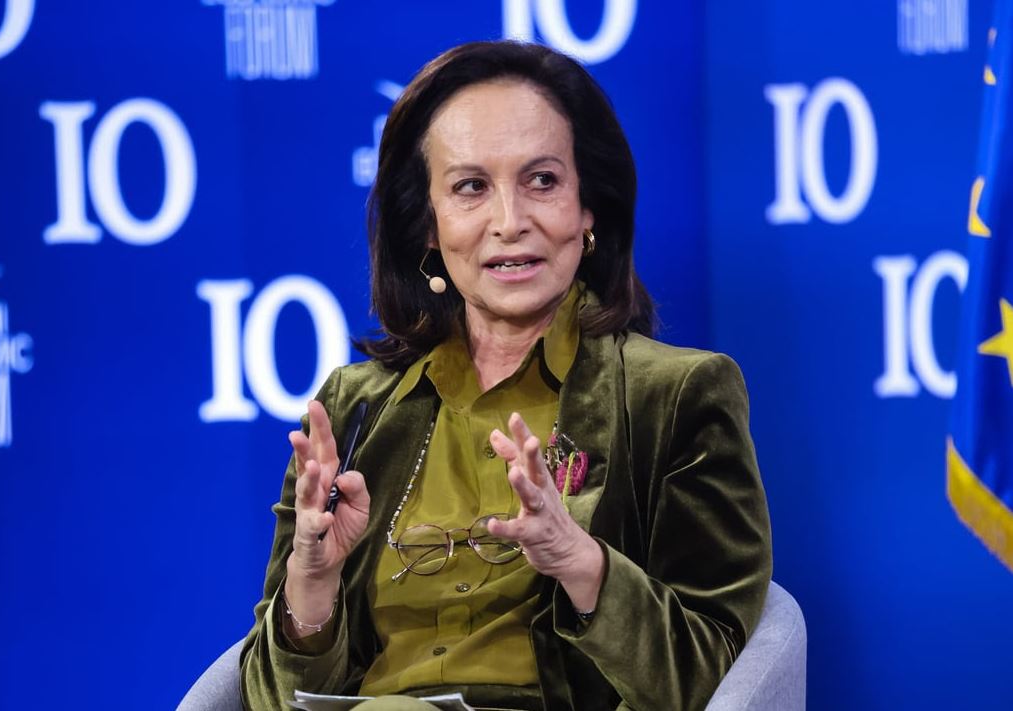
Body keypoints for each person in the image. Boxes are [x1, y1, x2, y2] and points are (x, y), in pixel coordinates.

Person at [240, 40, 771, 711]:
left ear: (588, 208)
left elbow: (713, 674)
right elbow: (265, 700)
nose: (510, 222)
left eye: (541, 181)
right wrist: (311, 587)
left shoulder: (674, 397)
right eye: (470, 188)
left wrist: (580, 561)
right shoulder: (353, 411)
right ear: (427, 224)